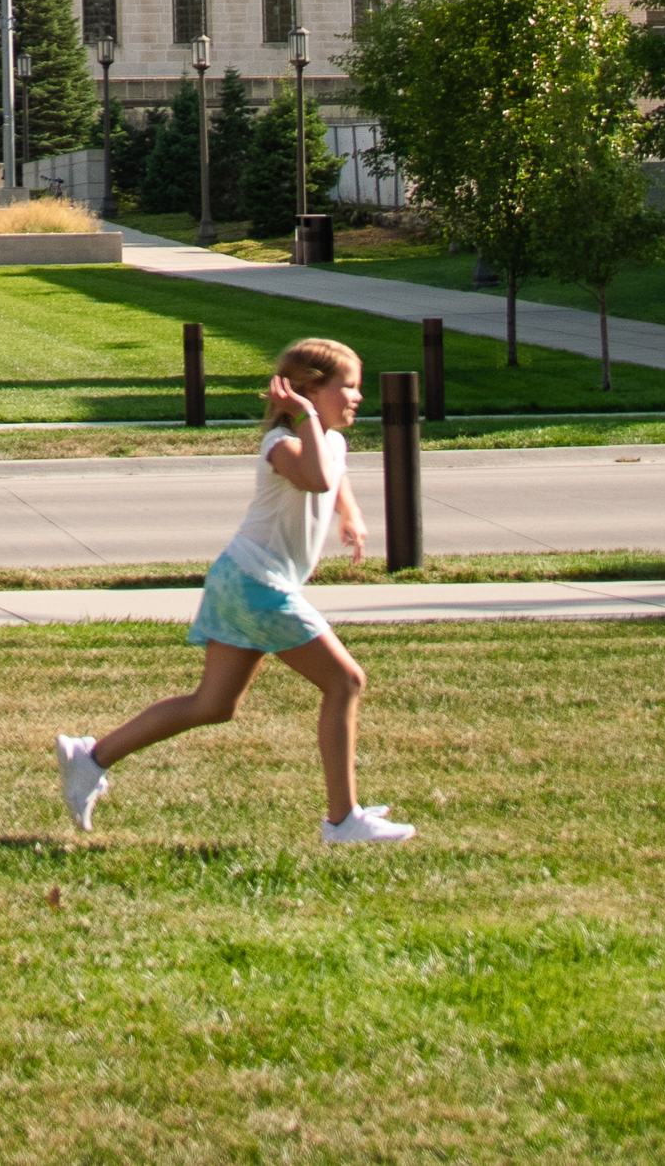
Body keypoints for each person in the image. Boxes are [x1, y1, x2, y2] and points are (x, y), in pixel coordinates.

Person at [55, 334, 413, 849]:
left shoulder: (330, 439)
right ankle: (342, 821)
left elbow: (336, 478)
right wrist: (307, 418)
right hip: (254, 584)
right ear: (310, 392)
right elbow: (314, 478)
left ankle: (90, 758)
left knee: (213, 703)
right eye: (349, 387)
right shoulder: (283, 445)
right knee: (345, 682)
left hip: (242, 579)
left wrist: (351, 516)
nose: (359, 397)